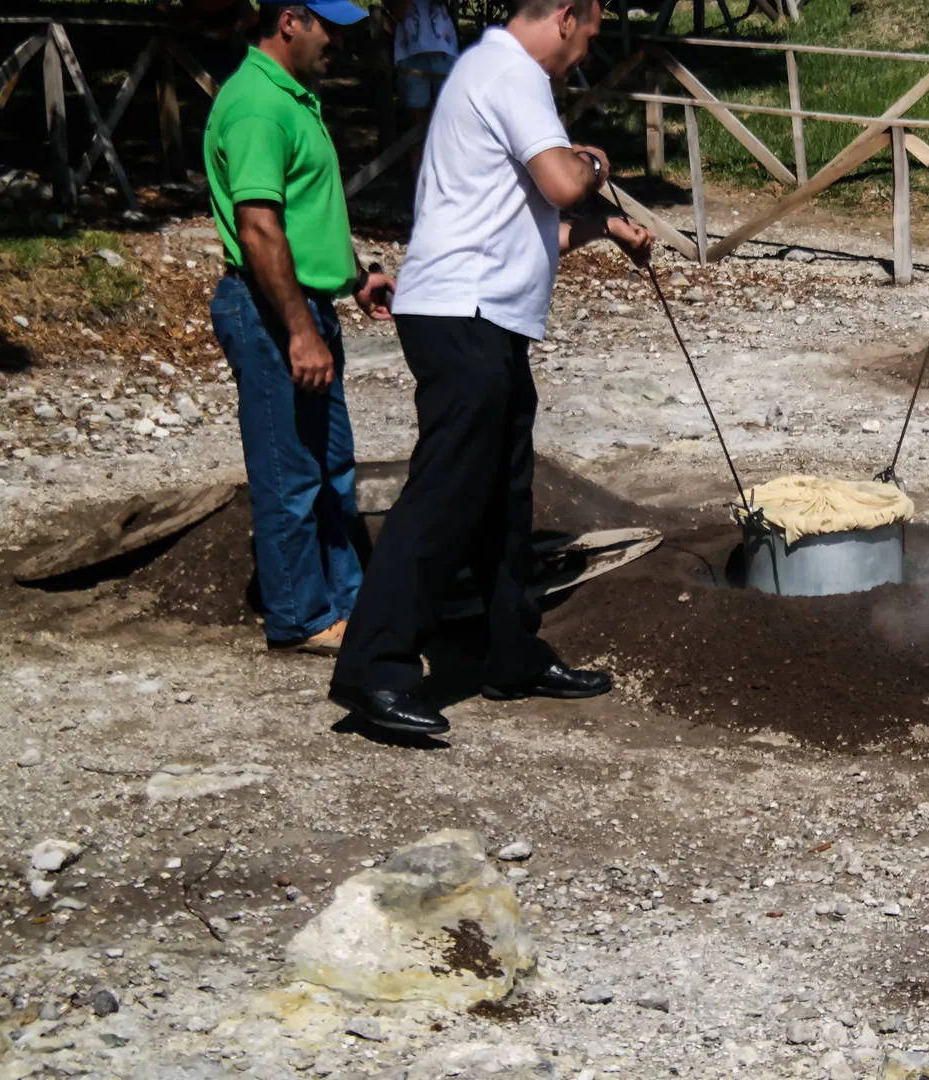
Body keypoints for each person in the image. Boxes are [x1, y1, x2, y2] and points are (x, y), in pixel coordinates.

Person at [330, 0, 653, 736]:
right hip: (461, 316)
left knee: (504, 497)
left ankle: (512, 654)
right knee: (444, 493)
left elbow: (537, 223)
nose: (589, 49)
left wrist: (607, 231)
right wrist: (597, 160)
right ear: (566, 15)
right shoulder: (512, 73)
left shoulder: (486, 71)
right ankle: (372, 671)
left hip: (485, 318)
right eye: (594, 30)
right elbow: (567, 181)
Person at [204, 0, 397, 655]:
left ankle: (345, 604)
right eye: (329, 28)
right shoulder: (257, 104)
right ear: (290, 19)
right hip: (269, 313)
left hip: (303, 307)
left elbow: (304, 215)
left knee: (332, 464)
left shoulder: (292, 97)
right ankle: (300, 618)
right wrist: (298, 330)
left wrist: (352, 278)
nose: (337, 43)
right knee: (290, 475)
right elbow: (259, 227)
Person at [388, 0, 460, 177]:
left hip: (444, 51)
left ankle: (449, 183)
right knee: (419, 131)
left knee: (450, 124)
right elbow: (396, 12)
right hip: (411, 55)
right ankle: (421, 192)